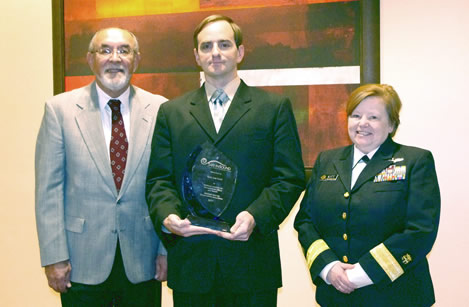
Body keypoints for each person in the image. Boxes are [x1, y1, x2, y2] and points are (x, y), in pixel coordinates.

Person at [146, 15, 305, 307]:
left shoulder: (273, 108)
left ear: (240, 52)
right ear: (196, 56)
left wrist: (256, 216)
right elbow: (159, 180)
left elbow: (290, 177)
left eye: (224, 44)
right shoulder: (172, 112)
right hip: (192, 263)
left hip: (252, 262)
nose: (215, 52)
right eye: (206, 46)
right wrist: (168, 216)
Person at [35, 27, 168, 306]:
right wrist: (54, 256)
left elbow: (167, 185)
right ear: (90, 59)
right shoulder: (59, 110)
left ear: (137, 59)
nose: (115, 58)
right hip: (80, 260)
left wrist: (166, 249)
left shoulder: (160, 110)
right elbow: (49, 191)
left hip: (142, 258)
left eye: (124, 50)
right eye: (105, 50)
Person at [294, 84, 440, 306]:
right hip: (335, 295)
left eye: (373, 117)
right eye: (356, 115)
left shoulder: (415, 161)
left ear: (391, 124)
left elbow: (421, 230)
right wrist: (328, 267)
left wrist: (361, 274)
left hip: (397, 296)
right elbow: (305, 221)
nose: (362, 123)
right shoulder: (327, 161)